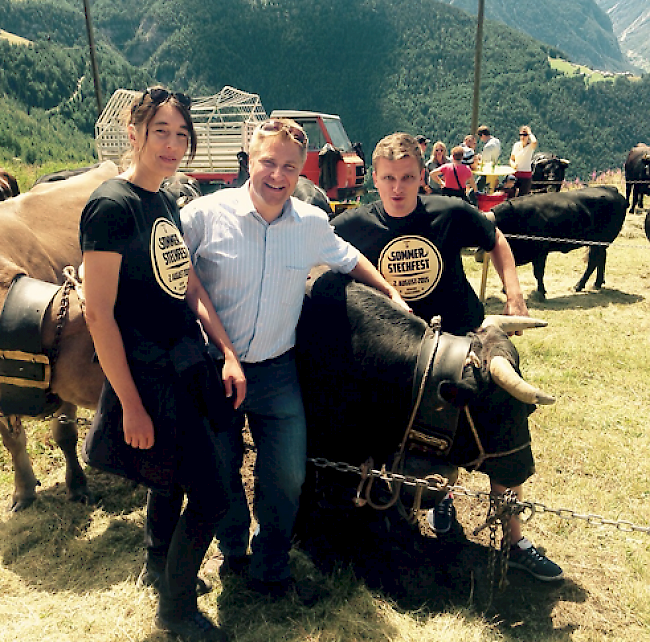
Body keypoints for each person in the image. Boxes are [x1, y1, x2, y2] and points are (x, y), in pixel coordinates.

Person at [180, 117, 410, 601]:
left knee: (287, 475)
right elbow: (179, 280)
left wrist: (388, 290)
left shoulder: (310, 223)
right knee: (221, 472)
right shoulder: (203, 215)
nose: (278, 175)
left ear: (303, 171)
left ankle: (271, 565)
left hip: (278, 370)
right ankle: (233, 551)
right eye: (269, 162)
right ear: (249, 157)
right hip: (214, 369)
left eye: (290, 167)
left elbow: (346, 257)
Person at [332, 132, 563, 582]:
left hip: (468, 343)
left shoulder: (450, 211)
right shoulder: (354, 226)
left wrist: (514, 296)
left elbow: (495, 239)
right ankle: (434, 505)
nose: (397, 188)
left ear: (423, 176)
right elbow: (318, 256)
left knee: (501, 426)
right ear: (373, 180)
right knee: (411, 438)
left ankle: (515, 539)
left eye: (406, 177)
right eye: (387, 179)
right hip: (401, 356)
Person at [80, 86, 247, 641]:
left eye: (182, 134)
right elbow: (99, 316)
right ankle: (174, 613)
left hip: (185, 362)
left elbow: (188, 282)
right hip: (149, 375)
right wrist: (129, 404)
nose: (173, 145)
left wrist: (224, 349)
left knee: (174, 481)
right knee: (213, 495)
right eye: (161, 132)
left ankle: (157, 564)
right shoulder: (111, 207)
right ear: (135, 132)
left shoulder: (165, 200)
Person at [510, 125, 538, 196]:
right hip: (515, 174)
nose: (522, 137)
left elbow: (534, 141)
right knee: (511, 195)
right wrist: (513, 164)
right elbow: (511, 159)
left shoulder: (530, 147)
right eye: (521, 135)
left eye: (525, 135)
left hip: (526, 176)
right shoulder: (516, 145)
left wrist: (529, 132)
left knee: (523, 196)